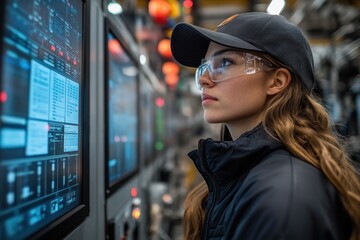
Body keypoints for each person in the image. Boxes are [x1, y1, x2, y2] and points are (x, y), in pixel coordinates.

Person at [170, 12, 360, 240]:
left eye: (225, 62)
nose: (203, 79)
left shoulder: (283, 198)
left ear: (277, 81)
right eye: (204, 67)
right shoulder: (248, 174)